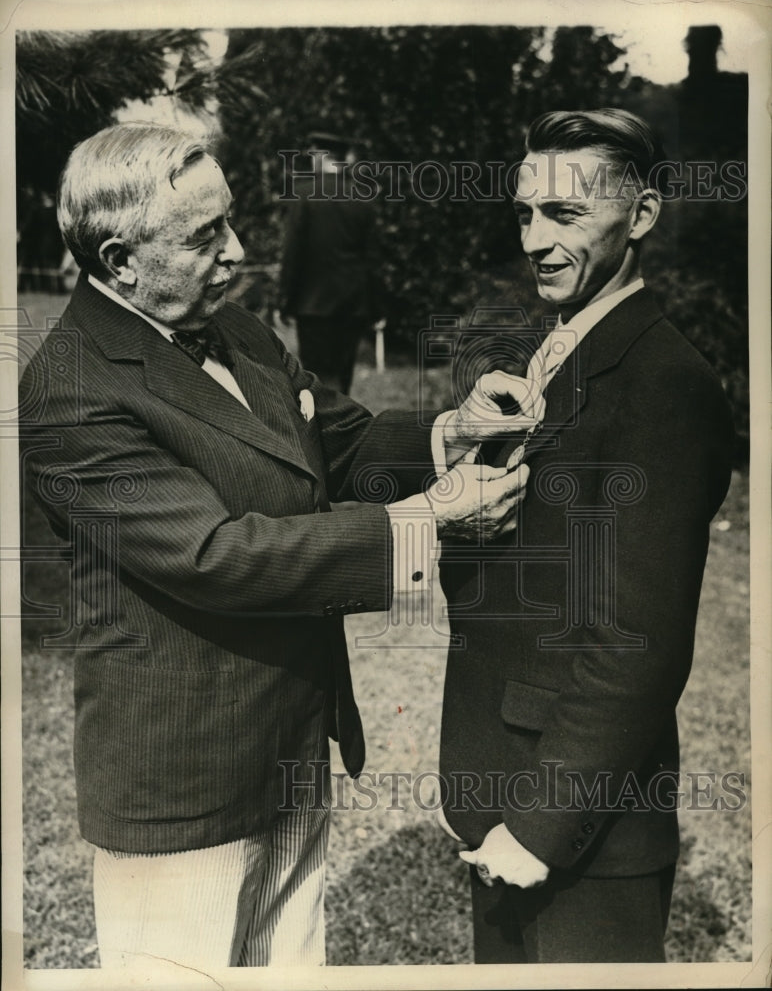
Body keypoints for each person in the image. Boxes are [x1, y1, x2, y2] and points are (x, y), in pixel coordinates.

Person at [18, 122, 539, 971]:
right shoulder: (69, 391)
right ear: (119, 262)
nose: (238, 252)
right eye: (204, 237)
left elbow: (341, 443)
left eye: (230, 222)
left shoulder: (239, 330)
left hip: (290, 745)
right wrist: (432, 522)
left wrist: (456, 428)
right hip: (182, 788)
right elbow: (217, 557)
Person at [436, 109, 734, 963]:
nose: (535, 238)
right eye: (525, 212)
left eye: (565, 215)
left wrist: (536, 830)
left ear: (641, 217)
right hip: (501, 792)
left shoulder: (667, 383)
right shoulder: (548, 347)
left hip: (580, 833)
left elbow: (639, 643)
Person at [278, 129, 383, 393]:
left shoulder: (302, 195)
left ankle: (323, 430)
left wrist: (285, 300)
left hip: (313, 305)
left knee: (316, 378)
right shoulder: (364, 197)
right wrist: (377, 307)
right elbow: (373, 258)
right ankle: (346, 427)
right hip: (353, 304)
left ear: (320, 157)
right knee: (343, 376)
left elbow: (293, 253)